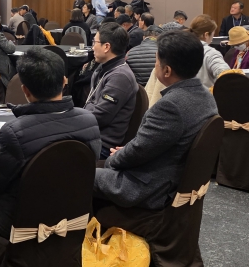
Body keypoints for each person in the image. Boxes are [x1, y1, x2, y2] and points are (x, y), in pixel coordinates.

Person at [0, 48, 100, 238]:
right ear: (64, 81)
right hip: (72, 216)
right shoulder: (89, 121)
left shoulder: (16, 132)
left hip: (19, 222)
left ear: (25, 90)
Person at [94, 31, 218, 211]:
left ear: (167, 70)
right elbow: (148, 145)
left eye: (156, 61)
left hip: (149, 188)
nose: (155, 65)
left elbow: (138, 151)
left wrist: (112, 159)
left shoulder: (170, 106)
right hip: (171, 178)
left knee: (79, 175)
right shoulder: (207, 96)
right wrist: (129, 149)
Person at [84, 22, 138, 159]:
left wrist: (75, 118)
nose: (92, 47)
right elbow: (92, 105)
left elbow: (100, 117)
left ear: (106, 47)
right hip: (92, 135)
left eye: (95, 42)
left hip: (102, 144)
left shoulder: (120, 76)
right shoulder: (104, 69)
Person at [188, 14, 229, 88]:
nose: (212, 38)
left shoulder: (180, 49)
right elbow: (227, 76)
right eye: (213, 34)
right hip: (204, 94)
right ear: (206, 35)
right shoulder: (210, 53)